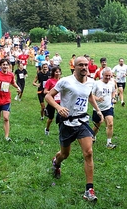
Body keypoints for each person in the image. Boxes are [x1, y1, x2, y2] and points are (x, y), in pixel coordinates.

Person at [45, 56, 103, 202]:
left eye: (86, 65)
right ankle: (56, 163)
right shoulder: (66, 81)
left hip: (82, 121)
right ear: (75, 67)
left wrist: (98, 110)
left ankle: (89, 190)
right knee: (65, 154)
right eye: (81, 65)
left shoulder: (91, 81)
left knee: (88, 152)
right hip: (67, 123)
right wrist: (58, 107)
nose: (84, 67)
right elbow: (48, 96)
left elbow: (89, 95)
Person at [0, 58, 21, 141]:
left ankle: (6, 137)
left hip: (6, 99)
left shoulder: (11, 75)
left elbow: (12, 82)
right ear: (0, 66)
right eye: (3, 65)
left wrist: (18, 87)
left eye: (6, 65)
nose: (5, 66)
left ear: (9, 66)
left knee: (6, 118)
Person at [91, 67, 117, 149]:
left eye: (110, 76)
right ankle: (93, 136)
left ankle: (109, 143)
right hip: (98, 109)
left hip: (108, 107)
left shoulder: (111, 83)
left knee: (110, 124)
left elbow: (113, 91)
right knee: (97, 125)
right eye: (106, 76)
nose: (108, 77)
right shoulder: (96, 83)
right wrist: (98, 99)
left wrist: (113, 98)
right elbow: (91, 95)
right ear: (102, 75)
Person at [43, 66, 62, 135]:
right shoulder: (49, 81)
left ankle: (61, 131)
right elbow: (45, 91)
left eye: (59, 72)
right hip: (52, 101)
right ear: (53, 72)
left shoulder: (61, 81)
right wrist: (53, 92)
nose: (58, 73)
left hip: (60, 101)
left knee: (61, 117)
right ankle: (47, 129)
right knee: (51, 118)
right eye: (56, 72)